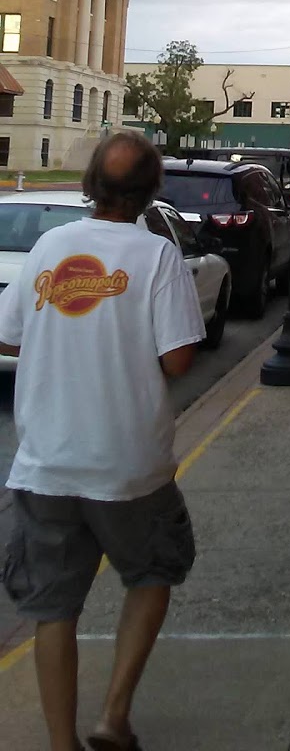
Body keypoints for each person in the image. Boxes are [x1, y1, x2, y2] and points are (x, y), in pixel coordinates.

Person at [0, 130, 206, 751]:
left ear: (91, 185)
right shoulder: (157, 256)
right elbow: (177, 361)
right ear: (149, 192)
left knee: (52, 610)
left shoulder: (49, 247)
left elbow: (9, 335)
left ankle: (62, 743)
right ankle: (113, 715)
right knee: (153, 572)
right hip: (129, 466)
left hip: (46, 464)